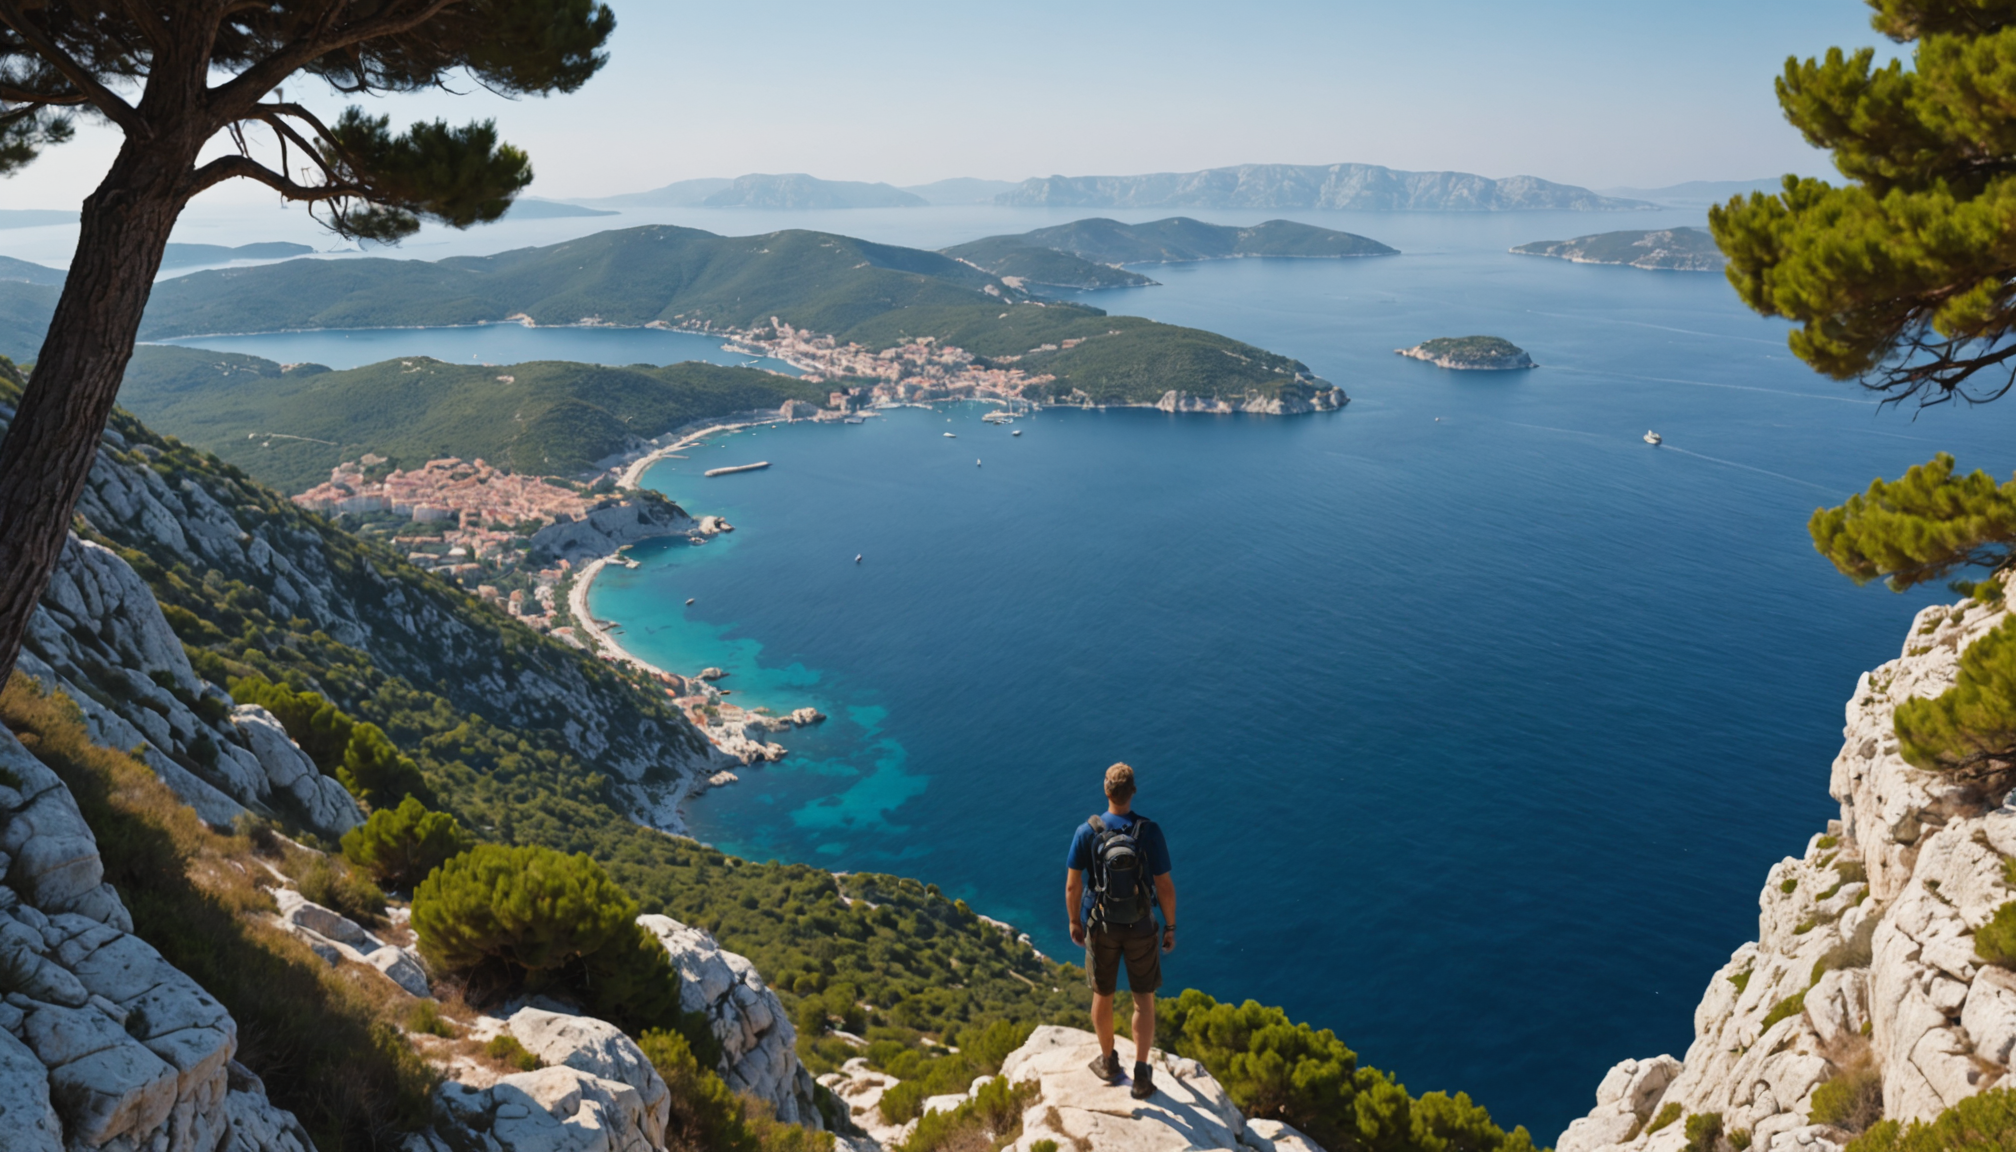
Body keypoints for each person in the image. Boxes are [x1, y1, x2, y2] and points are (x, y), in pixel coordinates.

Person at [1066, 762, 1176, 1099]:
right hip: (1142, 925)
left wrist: (1074, 921)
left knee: (1104, 994)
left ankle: (1109, 1062)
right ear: (1133, 792)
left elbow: (1073, 886)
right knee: (1143, 1000)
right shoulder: (1148, 831)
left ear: (1106, 790)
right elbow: (1165, 885)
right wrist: (1170, 926)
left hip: (1101, 927)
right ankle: (1142, 1075)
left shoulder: (1088, 831)